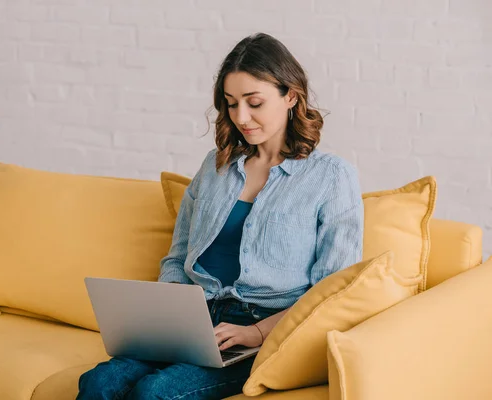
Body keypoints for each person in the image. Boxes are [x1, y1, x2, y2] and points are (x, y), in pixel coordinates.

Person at [77, 32, 364, 400]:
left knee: (156, 393)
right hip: (194, 320)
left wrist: (257, 333)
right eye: (231, 104)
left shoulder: (331, 177)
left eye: (254, 102)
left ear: (290, 96)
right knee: (98, 383)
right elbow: (179, 256)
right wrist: (169, 316)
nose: (241, 117)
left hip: (264, 330)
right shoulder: (217, 168)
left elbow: (331, 292)